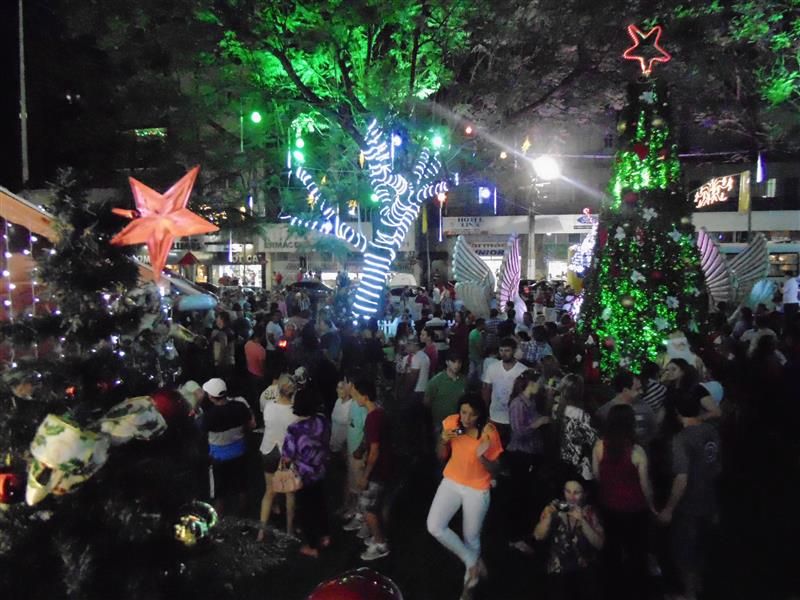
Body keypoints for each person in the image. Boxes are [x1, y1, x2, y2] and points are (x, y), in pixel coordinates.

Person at [427, 394, 503, 597]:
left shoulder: (488, 432)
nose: (467, 418)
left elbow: (496, 470)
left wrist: (483, 457)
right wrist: (442, 441)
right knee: (434, 526)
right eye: (464, 412)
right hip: (451, 481)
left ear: (480, 415)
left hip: (477, 488)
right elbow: (441, 455)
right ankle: (472, 560)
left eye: (472, 414)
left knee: (471, 537)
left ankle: (468, 589)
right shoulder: (453, 424)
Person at [657, 393, 721, 600]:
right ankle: (699, 586)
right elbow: (717, 466)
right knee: (702, 547)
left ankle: (689, 593)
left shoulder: (681, 439)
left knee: (685, 551)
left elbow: (681, 478)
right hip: (710, 499)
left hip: (688, 506)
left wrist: (668, 509)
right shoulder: (711, 431)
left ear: (677, 412)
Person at [592, 405, 655, 600]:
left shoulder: (599, 446)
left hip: (608, 505)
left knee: (612, 549)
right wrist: (652, 507)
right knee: (637, 551)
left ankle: (612, 590)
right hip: (635, 508)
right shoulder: (636, 451)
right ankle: (638, 590)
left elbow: (596, 475)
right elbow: (645, 486)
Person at [533, 478, 604, 600]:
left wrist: (583, 521)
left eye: (576, 493)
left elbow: (600, 544)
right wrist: (548, 517)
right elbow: (538, 536)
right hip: (558, 570)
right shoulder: (555, 508)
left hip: (584, 568)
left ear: (585, 494)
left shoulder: (590, 512)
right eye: (568, 491)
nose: (571, 497)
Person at [281, 386, 331, 558]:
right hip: (321, 470)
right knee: (320, 503)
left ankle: (312, 546)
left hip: (303, 475)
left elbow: (287, 456)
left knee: (306, 510)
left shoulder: (294, 429)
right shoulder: (322, 421)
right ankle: (325, 536)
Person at [506, 369, 551, 554]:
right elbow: (519, 432)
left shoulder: (530, 402)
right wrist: (538, 423)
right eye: (539, 383)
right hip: (520, 456)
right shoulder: (518, 404)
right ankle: (515, 537)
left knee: (525, 495)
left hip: (530, 454)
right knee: (519, 496)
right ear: (531, 384)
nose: (541, 386)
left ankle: (523, 533)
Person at [349, 379, 392, 561]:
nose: (355, 398)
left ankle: (380, 544)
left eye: (357, 395)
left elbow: (374, 450)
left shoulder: (372, 418)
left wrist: (365, 476)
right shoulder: (380, 412)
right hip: (386, 467)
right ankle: (377, 537)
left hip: (377, 470)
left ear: (365, 397)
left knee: (368, 508)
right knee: (376, 506)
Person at [199, 378, 255, 516]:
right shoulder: (240, 406)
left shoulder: (209, 416)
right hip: (240, 452)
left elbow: (201, 433)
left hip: (219, 458)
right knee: (242, 486)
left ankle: (219, 520)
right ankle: (244, 515)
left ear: (211, 397)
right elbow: (249, 425)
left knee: (219, 492)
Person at [257, 374, 299, 541]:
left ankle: (261, 531)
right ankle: (289, 530)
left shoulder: (269, 407)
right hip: (286, 454)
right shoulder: (295, 413)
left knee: (269, 492)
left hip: (268, 450)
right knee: (289, 493)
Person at [595, 371, 657, 450]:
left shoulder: (644, 406)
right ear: (625, 390)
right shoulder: (605, 412)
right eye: (637, 389)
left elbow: (653, 430)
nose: (641, 392)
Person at [482, 337, 527, 445]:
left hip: (514, 418)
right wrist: (484, 411)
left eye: (507, 350)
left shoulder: (522, 370)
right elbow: (486, 390)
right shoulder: (492, 368)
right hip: (494, 416)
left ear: (514, 351)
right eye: (501, 350)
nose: (503, 354)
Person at [554, 374, 597, 482]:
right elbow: (592, 441)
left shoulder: (556, 410)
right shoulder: (582, 415)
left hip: (559, 461)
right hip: (578, 465)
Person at [425, 356, 467, 449]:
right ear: (447, 362)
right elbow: (427, 402)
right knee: (440, 447)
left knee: (456, 446)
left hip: (457, 423)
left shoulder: (464, 380)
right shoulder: (436, 381)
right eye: (453, 361)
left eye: (459, 362)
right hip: (440, 423)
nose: (456, 365)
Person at [467, 318, 485, 384]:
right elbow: (479, 347)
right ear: (481, 325)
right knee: (480, 373)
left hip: (471, 355)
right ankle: (480, 386)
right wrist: (482, 354)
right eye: (484, 324)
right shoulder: (476, 335)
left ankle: (468, 384)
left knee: (471, 372)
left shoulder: (472, 332)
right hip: (477, 357)